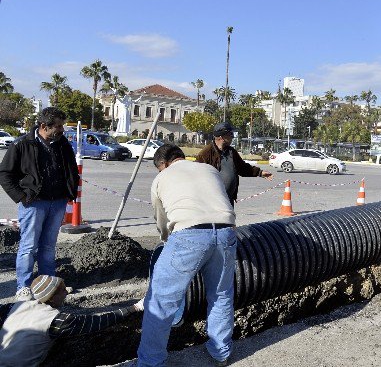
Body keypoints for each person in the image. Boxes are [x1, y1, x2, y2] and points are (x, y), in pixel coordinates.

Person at [137, 144, 237, 366]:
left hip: (188, 234)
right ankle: (221, 353)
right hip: (226, 232)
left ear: (163, 164)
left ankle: (150, 362)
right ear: (181, 157)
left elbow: (161, 221)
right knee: (221, 294)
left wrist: (166, 241)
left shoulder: (161, 179)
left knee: (160, 301)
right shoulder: (209, 169)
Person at [0, 107, 79, 300]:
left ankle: (48, 284)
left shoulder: (62, 144)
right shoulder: (22, 144)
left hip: (58, 202)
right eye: (58, 126)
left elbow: (71, 169)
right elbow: (5, 174)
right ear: (44, 126)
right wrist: (21, 196)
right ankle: (24, 287)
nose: (62, 130)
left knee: (48, 246)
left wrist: (69, 192)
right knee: (29, 246)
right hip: (33, 204)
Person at [0, 275, 143, 366]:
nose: (67, 292)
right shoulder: (57, 320)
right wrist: (133, 308)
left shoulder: (15, 306)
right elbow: (97, 322)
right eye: (62, 290)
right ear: (51, 297)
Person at [196, 121, 273, 207]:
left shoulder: (231, 152)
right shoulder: (206, 153)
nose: (232, 137)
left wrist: (260, 173)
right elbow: (196, 175)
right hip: (212, 201)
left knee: (229, 220)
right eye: (230, 134)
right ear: (222, 137)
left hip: (228, 199)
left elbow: (242, 167)